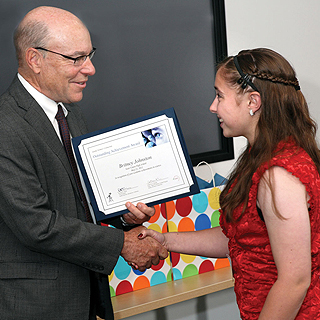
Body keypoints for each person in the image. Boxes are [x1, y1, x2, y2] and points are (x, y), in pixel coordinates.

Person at [0, 6, 167, 320]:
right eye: (76, 58)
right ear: (35, 59)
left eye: (89, 56)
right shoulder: (5, 126)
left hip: (83, 299)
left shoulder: (69, 114)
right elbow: (36, 226)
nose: (90, 69)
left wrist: (123, 217)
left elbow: (82, 200)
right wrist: (122, 243)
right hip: (35, 306)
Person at [139, 48, 320, 319]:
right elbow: (238, 239)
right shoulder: (259, 158)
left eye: (219, 96)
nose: (213, 107)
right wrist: (165, 239)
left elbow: (295, 281)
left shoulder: (278, 175)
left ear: (252, 101)